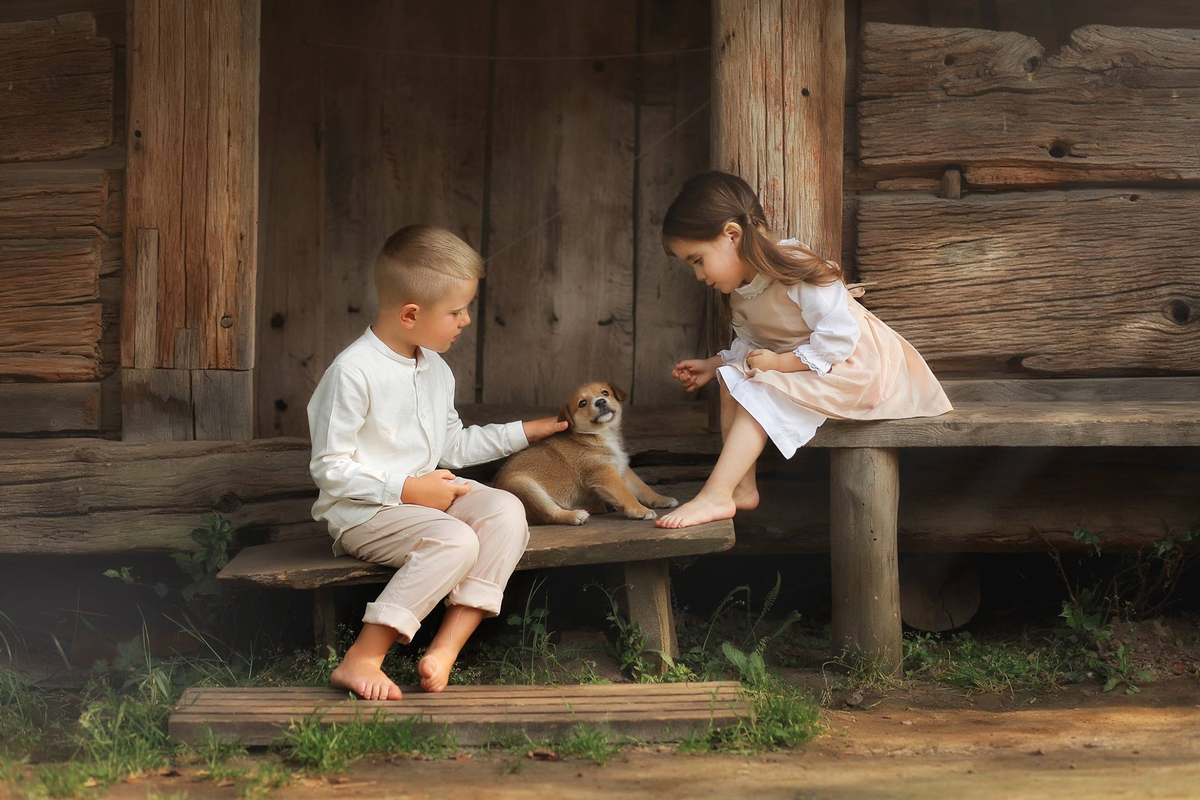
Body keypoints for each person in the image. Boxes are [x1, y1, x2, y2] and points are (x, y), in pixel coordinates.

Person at [306, 224, 567, 700]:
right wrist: (407, 488)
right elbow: (329, 468)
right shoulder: (352, 372)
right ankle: (363, 656)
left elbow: (451, 445)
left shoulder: (434, 367)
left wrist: (527, 431)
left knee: (506, 511)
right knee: (456, 539)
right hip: (364, 513)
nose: (466, 320)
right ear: (410, 314)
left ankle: (446, 646)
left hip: (425, 502)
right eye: (456, 311)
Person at [657, 171, 953, 529]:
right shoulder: (741, 290)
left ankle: (715, 493)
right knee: (730, 377)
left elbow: (839, 339)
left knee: (761, 386)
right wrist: (713, 363)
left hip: (854, 366)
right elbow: (755, 345)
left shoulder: (793, 268)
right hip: (804, 364)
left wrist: (781, 363)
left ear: (732, 235)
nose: (699, 275)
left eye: (697, 260)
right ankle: (741, 488)